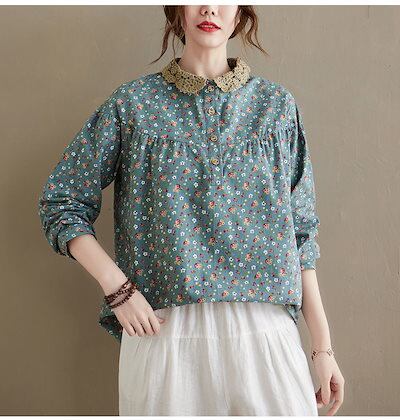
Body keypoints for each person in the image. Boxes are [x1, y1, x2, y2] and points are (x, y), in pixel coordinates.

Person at [38, 5, 345, 416]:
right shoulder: (133, 106)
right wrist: (117, 288)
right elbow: (61, 201)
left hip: (264, 331)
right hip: (164, 333)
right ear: (177, 11)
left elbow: (302, 235)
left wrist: (322, 348)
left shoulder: (275, 107)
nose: (209, 8)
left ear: (240, 14)